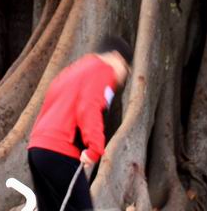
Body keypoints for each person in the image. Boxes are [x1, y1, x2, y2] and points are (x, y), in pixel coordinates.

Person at [26, 35, 132, 211]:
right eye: (125, 69)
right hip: (61, 151)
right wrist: (95, 148)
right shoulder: (103, 70)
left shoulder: (75, 69)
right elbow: (90, 106)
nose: (123, 77)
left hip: (37, 150)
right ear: (116, 57)